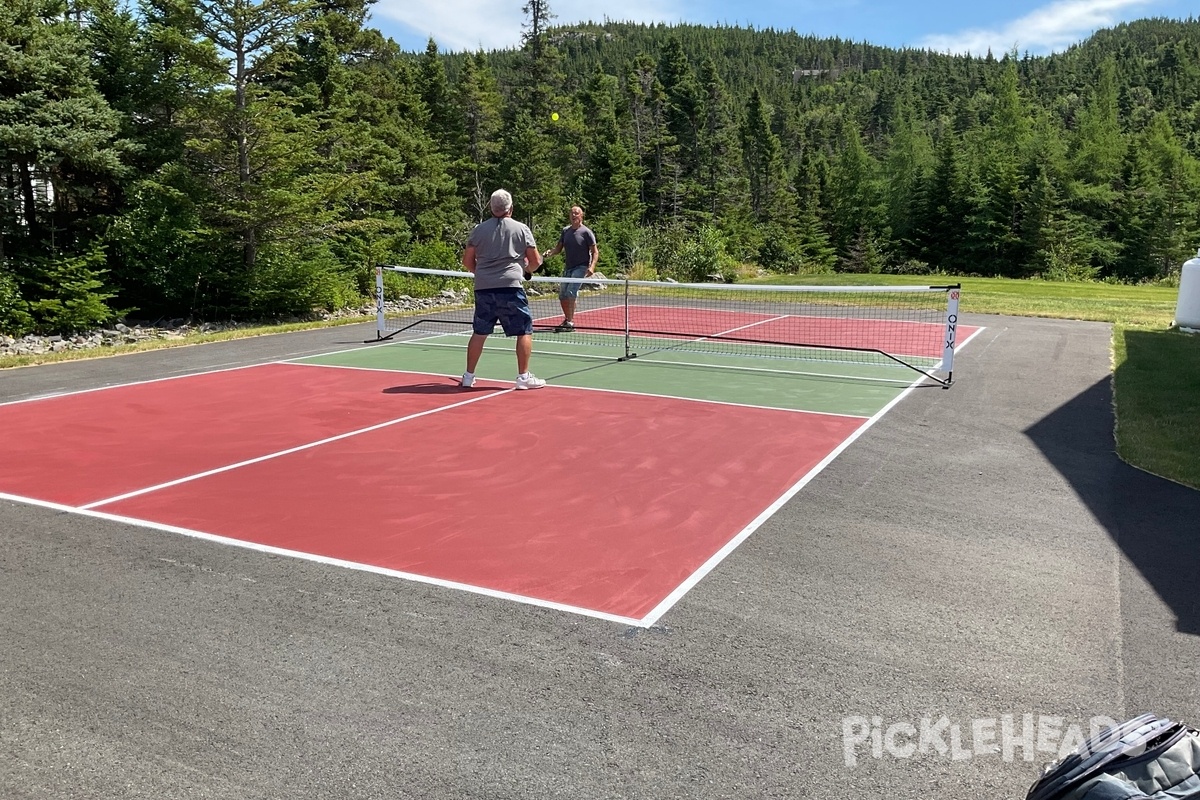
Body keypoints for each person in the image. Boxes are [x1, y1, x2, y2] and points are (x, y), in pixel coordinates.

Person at [460, 189, 546, 390]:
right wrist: (526, 270)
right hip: (511, 288)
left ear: (491, 207)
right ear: (511, 208)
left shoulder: (478, 230)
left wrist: (481, 273)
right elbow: (535, 261)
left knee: (479, 332)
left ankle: (468, 376)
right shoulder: (521, 229)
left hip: (484, 289)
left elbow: (467, 261)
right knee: (524, 330)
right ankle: (523, 377)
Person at [541, 205, 599, 332]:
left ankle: (571, 322)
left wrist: (592, 266)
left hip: (581, 267)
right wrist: (549, 253)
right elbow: (558, 248)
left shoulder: (586, 232)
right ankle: (567, 320)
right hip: (568, 268)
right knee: (562, 295)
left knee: (571, 292)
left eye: (576, 213)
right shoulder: (565, 231)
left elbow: (595, 252)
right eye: (572, 213)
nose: (574, 216)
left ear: (581, 216)